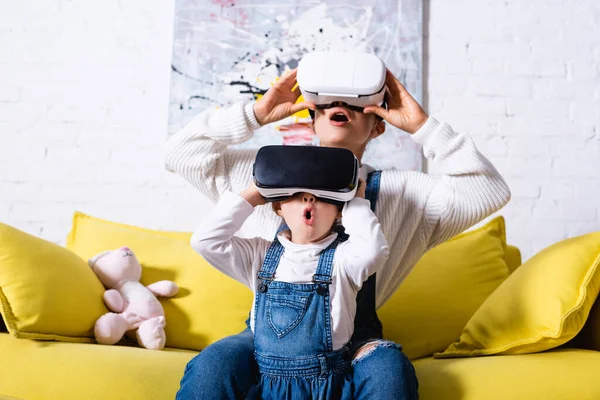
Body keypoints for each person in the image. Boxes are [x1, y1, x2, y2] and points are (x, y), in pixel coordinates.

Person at [166, 67, 511, 399]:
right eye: (327, 101)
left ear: (378, 127)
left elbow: (488, 190)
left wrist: (423, 127)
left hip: (359, 343)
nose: (339, 106)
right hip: (266, 342)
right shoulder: (265, 174)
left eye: (357, 101)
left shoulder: (404, 195)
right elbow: (180, 154)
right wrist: (254, 115)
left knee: (390, 371)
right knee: (213, 366)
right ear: (312, 117)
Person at [190, 169, 389, 398]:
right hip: (265, 386)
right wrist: (255, 193)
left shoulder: (345, 260)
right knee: (210, 364)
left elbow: (374, 250)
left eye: (323, 195)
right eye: (297, 193)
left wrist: (356, 202)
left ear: (339, 211)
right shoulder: (259, 255)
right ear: (278, 207)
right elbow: (205, 242)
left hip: (326, 388)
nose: (310, 198)